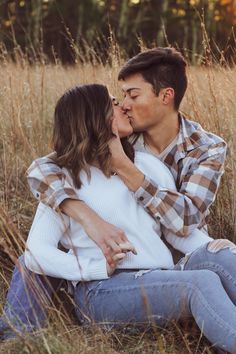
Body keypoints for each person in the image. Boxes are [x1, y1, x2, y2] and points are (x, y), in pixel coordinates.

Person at [22, 84, 236, 353]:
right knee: (201, 283)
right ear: (93, 116)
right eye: (113, 102)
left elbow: (171, 229)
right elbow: (35, 253)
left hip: (162, 276)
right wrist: (94, 268)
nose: (123, 106)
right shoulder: (64, 181)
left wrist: (211, 246)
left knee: (224, 258)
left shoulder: (146, 167)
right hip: (103, 291)